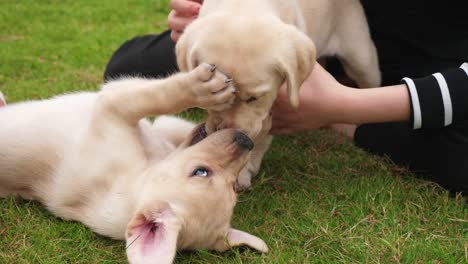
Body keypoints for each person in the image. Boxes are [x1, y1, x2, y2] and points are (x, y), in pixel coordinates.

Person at [103, 0, 468, 194]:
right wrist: (203, 21)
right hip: (251, 38)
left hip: (426, 58)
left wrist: (346, 106)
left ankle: (340, 116)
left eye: (250, 100)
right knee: (126, 70)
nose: (232, 122)